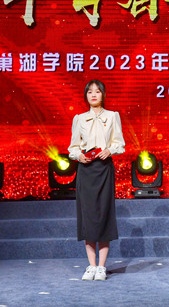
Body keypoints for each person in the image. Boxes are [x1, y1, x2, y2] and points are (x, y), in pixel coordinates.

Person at [68, 79, 125, 281]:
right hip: (86, 170)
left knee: (104, 215)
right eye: (90, 91)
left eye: (97, 91)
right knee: (88, 216)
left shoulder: (112, 116)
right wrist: (79, 155)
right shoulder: (79, 118)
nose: (93, 94)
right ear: (86, 96)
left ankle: (102, 267)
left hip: (104, 168)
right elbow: (73, 147)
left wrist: (110, 150)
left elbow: (119, 143)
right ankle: (91, 266)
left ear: (103, 95)